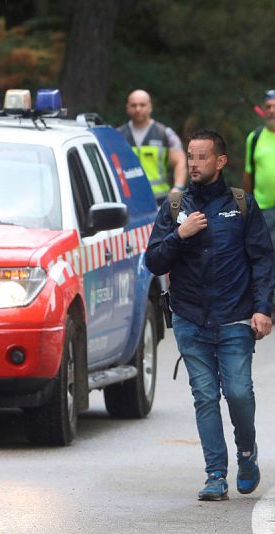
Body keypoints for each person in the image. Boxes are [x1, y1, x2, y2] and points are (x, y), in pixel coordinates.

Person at [146, 129, 275, 501]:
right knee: (204, 396)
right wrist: (180, 235)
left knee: (238, 393)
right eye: (190, 156)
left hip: (235, 317)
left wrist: (263, 308)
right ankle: (215, 474)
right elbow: (153, 261)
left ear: (220, 161)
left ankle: (247, 454)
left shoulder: (243, 205)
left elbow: (263, 261)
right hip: (189, 319)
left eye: (202, 157)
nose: (194, 163)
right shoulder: (174, 207)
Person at [118, 89, 187, 203]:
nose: (138, 109)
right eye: (133, 105)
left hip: (159, 200)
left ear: (150, 106)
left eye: (142, 105)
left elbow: (180, 162)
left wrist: (178, 188)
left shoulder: (164, 133)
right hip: (128, 199)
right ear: (127, 108)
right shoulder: (118, 136)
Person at [243, 89, 275, 246]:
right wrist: (247, 207)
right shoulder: (254, 137)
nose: (272, 111)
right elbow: (248, 173)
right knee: (265, 253)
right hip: (263, 209)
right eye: (268, 106)